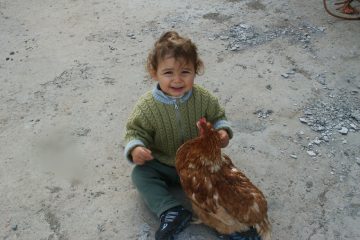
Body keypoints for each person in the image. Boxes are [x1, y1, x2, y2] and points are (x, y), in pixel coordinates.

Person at [124, 31, 233, 240]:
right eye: (168, 73)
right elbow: (134, 131)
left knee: (222, 177)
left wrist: (223, 132)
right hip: (163, 163)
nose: (177, 80)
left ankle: (225, 219)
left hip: (197, 163)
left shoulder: (203, 98)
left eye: (185, 71)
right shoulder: (147, 106)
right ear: (154, 72)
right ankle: (171, 210)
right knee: (140, 175)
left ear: (196, 70)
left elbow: (219, 116)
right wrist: (136, 148)